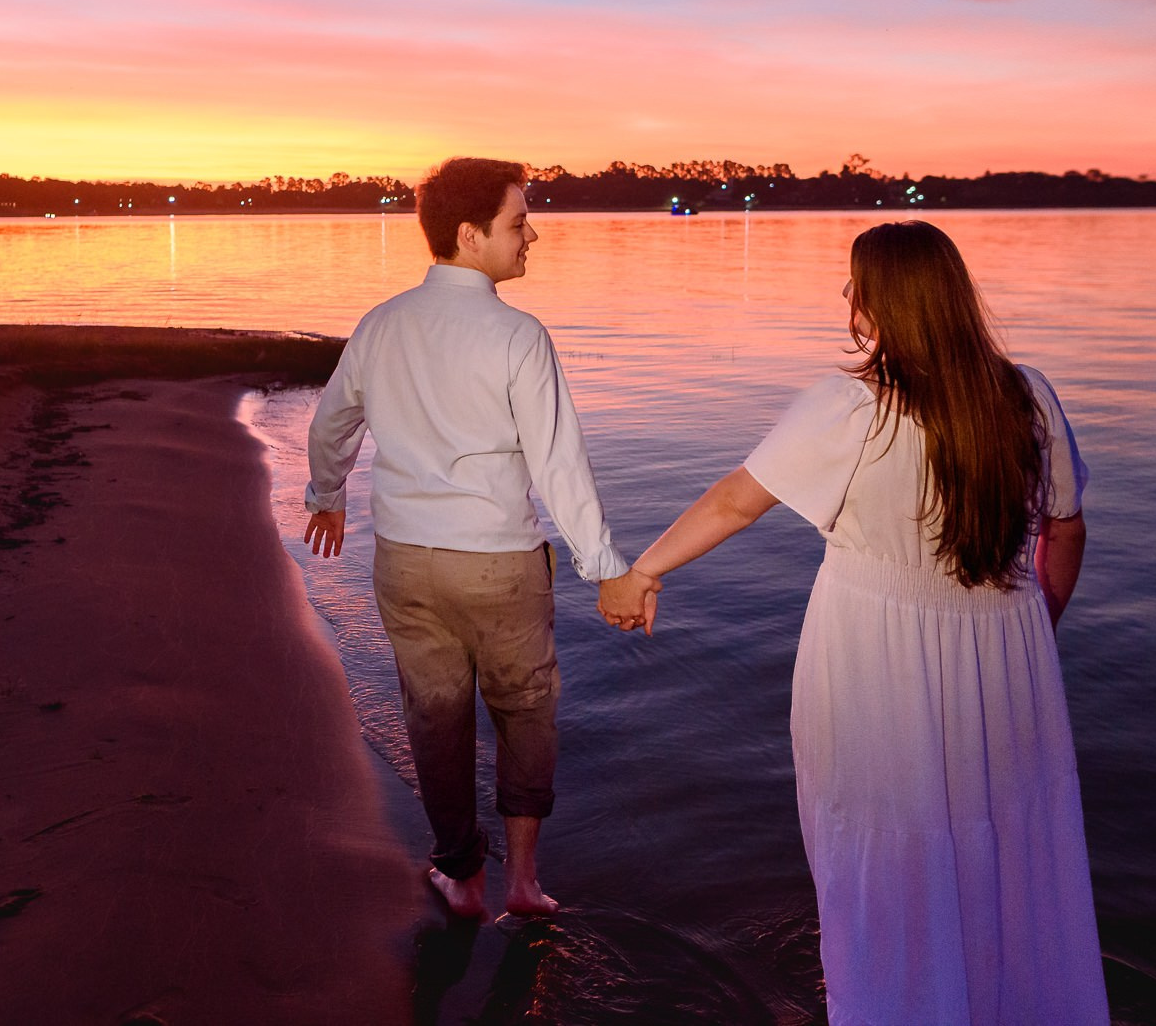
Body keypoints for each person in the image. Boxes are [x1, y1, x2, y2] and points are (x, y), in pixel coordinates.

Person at [608, 220, 1109, 1024]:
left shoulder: (852, 409)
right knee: (1007, 846)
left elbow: (738, 501)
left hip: (879, 665)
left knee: (881, 843)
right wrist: (1033, 627)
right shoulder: (1030, 395)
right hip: (1011, 669)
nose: (845, 297)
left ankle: (891, 1002)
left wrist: (643, 570)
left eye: (855, 283)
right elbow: (1067, 529)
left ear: (888, 301)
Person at [303, 156, 638, 919]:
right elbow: (560, 467)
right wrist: (606, 569)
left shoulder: (382, 324)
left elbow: (332, 424)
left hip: (407, 563)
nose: (534, 236)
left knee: (434, 713)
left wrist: (328, 494)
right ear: (469, 233)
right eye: (519, 223)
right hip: (499, 565)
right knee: (525, 711)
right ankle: (522, 879)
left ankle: (461, 874)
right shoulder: (519, 336)